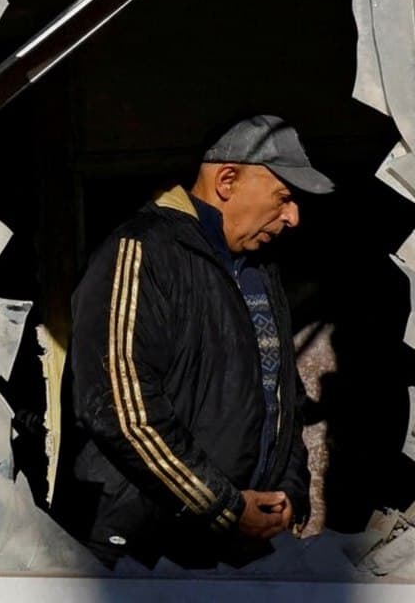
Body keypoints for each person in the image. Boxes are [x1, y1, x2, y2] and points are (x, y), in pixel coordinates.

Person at [65, 114, 332, 569]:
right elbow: (119, 410)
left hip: (234, 553)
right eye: (284, 197)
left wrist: (286, 493)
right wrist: (222, 507)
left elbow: (283, 395)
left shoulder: (260, 269)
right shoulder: (141, 251)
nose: (293, 216)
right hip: (137, 556)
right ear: (227, 180)